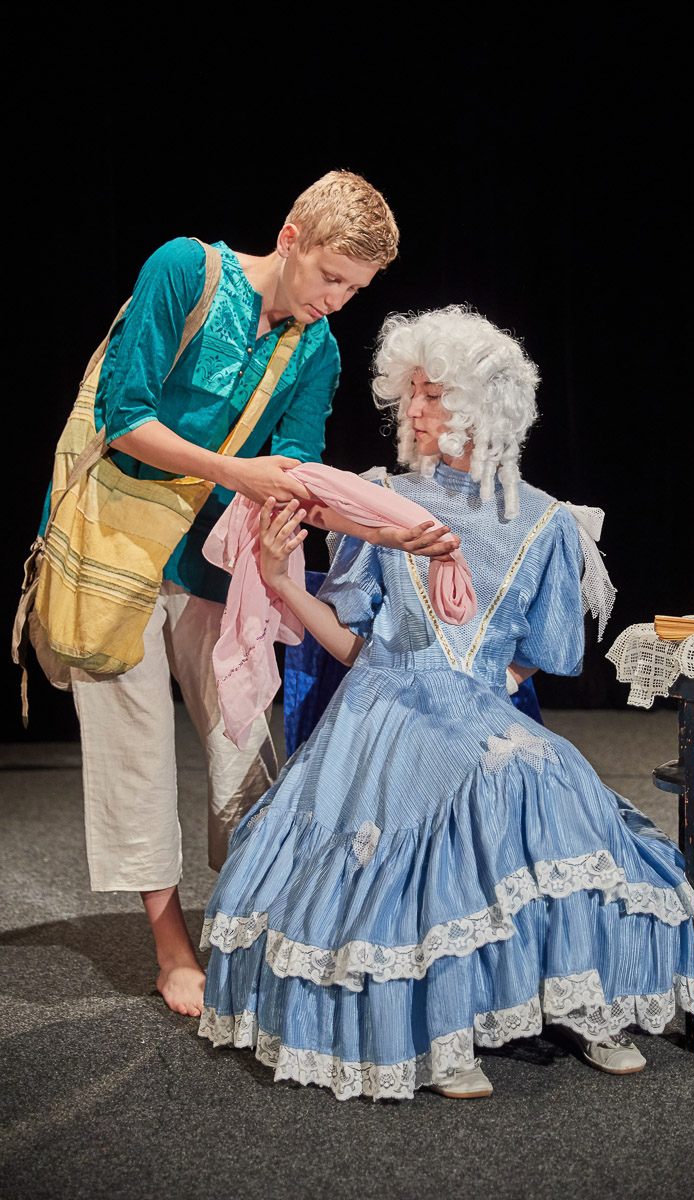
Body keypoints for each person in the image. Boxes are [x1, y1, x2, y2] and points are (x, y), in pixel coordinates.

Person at [198, 306, 694, 1101]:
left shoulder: (545, 522)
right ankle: (439, 1028)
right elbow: (356, 644)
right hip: (385, 704)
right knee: (474, 790)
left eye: (433, 394)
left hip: (477, 706)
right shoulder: (381, 502)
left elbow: (543, 654)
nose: (414, 409)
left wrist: (484, 699)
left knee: (549, 773)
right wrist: (282, 581)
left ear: (482, 405)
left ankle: (578, 999)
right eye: (410, 393)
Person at [39, 171, 458, 1020]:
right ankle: (172, 947)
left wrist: (385, 530)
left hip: (209, 563)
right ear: (291, 238)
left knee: (243, 742)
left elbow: (295, 476)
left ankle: (253, 917)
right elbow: (125, 417)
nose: (336, 300)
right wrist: (237, 473)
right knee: (133, 747)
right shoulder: (185, 271)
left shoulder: (316, 348)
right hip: (114, 542)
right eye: (331, 277)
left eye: (355, 289)